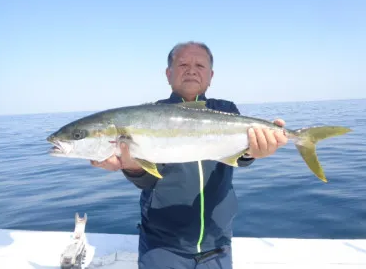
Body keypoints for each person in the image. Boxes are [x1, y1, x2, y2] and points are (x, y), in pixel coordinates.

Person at [91, 41, 288, 269]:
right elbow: (147, 181)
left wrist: (253, 152)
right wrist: (133, 168)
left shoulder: (226, 110)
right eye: (183, 64)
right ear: (168, 73)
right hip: (162, 245)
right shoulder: (150, 115)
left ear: (211, 75)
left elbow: (238, 155)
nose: (191, 69)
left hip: (218, 243)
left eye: (200, 65)